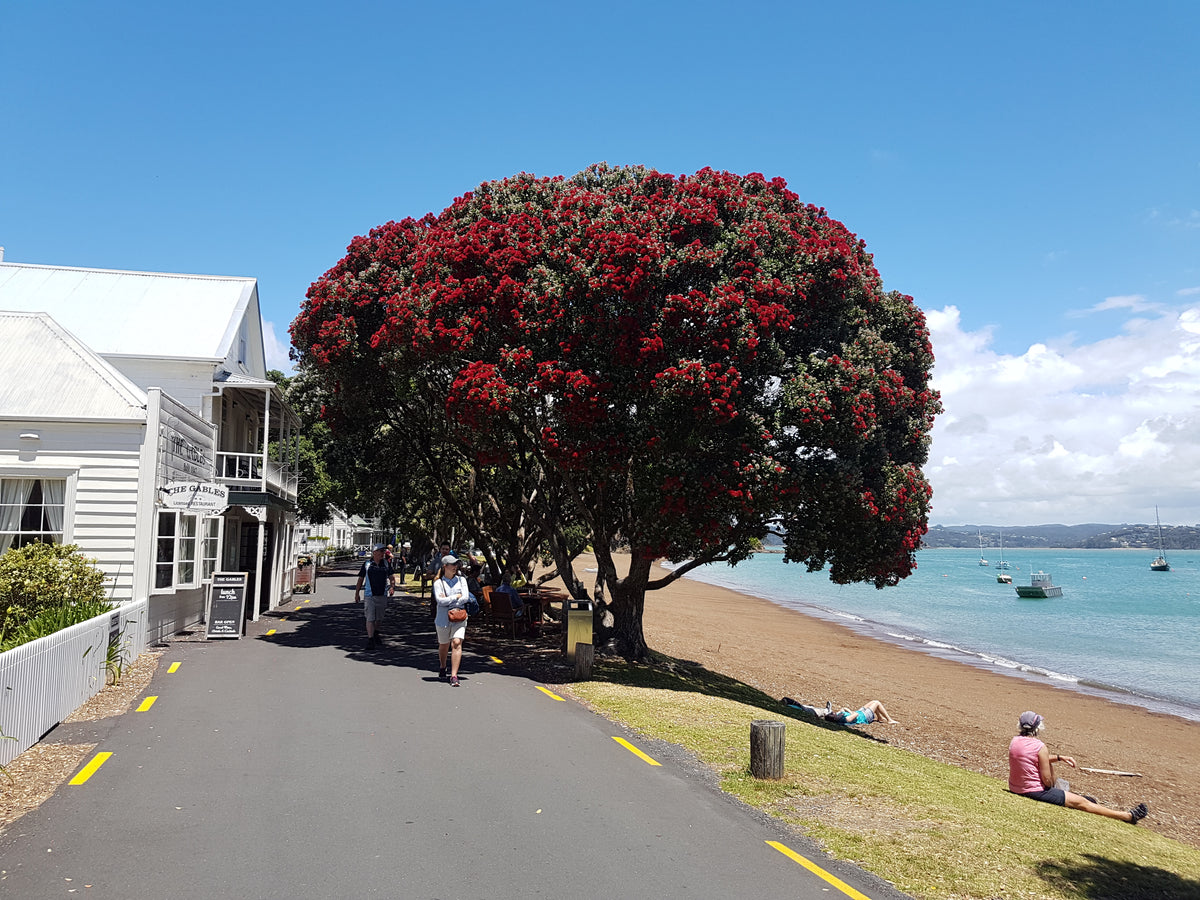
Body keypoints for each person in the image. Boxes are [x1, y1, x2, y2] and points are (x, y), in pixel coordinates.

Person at [1008, 711, 1148, 824]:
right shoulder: (1039, 746)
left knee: (1085, 800)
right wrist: (1052, 773)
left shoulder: (1015, 741)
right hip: (1034, 791)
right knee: (1083, 803)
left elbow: (1030, 757)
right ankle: (1128, 816)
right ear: (1038, 727)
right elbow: (1047, 781)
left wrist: (1059, 757)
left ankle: (1080, 800)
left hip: (1016, 787)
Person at [432, 554, 471, 686]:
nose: (455, 567)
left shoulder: (461, 580)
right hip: (443, 619)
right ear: (445, 566)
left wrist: (450, 600)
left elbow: (465, 597)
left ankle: (454, 675)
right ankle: (443, 666)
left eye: (456, 565)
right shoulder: (438, 583)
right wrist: (455, 597)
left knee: (456, 642)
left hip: (459, 616)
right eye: (452, 565)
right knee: (444, 645)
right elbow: (440, 601)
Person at [354, 544, 395, 651]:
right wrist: (357, 593)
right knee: (370, 617)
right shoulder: (367, 564)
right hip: (370, 595)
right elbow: (360, 579)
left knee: (379, 618)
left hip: (382, 594)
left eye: (383, 551)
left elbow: (391, 576)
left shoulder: (386, 564)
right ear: (374, 552)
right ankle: (370, 639)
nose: (382, 553)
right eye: (380, 551)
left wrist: (392, 587)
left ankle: (375, 632)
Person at [782, 698, 899, 726]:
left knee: (873, 701)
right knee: (877, 703)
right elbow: (854, 715)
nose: (834, 713)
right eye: (833, 714)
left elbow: (843, 710)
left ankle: (880, 718)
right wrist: (849, 711)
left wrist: (845, 710)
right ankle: (889, 719)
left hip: (860, 712)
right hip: (864, 716)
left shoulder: (839, 716)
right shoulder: (845, 719)